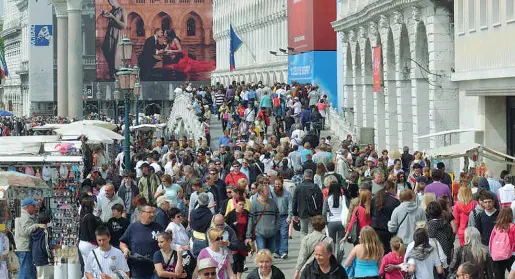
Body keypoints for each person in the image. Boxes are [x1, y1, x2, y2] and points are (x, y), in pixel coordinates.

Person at [119, 205, 164, 279]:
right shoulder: (133, 227)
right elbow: (122, 242)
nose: (152, 215)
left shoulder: (158, 227)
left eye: (153, 212)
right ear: (141, 213)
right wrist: (125, 250)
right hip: (138, 269)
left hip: (155, 268)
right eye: (149, 212)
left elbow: (165, 245)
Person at [14, 198, 46, 279]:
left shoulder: (21, 214)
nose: (35, 207)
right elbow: (25, 231)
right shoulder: (24, 216)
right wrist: (36, 225)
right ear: (28, 207)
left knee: (30, 271)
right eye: (33, 205)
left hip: (22, 247)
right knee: (25, 271)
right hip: (24, 247)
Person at [245, 182, 280, 251]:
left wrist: (276, 228)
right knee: (262, 253)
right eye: (267, 191)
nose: (269, 193)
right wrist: (248, 235)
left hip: (272, 233)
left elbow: (277, 216)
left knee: (270, 253)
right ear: (261, 192)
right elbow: (251, 220)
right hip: (259, 233)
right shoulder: (254, 204)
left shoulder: (273, 202)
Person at [371, 180, 400, 253]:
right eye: (394, 189)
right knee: (387, 251)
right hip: (388, 230)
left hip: (375, 228)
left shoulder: (374, 199)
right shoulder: (394, 201)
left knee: (378, 251)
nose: (395, 191)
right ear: (390, 189)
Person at [293, 169, 323, 236]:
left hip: (302, 212)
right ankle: (310, 245)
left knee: (303, 231)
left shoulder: (298, 187)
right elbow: (320, 200)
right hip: (313, 212)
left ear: (304, 176)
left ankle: (304, 245)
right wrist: (319, 212)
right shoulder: (315, 187)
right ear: (312, 176)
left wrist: (295, 213)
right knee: (312, 231)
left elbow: (294, 201)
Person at [79, 196, 103, 276]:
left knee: (87, 266)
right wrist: (98, 243)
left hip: (82, 243)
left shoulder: (84, 215)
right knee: (95, 265)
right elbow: (92, 232)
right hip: (89, 244)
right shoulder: (89, 216)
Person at [225, 197, 249, 279]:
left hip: (243, 240)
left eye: (243, 204)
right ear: (235, 204)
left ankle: (239, 278)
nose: (242, 206)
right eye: (240, 204)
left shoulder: (246, 213)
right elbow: (226, 227)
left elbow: (249, 226)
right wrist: (233, 225)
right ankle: (234, 277)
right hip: (234, 240)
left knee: (241, 260)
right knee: (234, 260)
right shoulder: (231, 214)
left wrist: (250, 238)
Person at [489, 206, 515, 278]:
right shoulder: (513, 227)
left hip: (497, 255)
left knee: (499, 275)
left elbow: (491, 241)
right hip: (511, 255)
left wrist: (491, 253)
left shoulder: (496, 227)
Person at [270, 176, 292, 259]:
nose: (277, 185)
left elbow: (290, 206)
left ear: (282, 184)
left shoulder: (287, 194)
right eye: (276, 184)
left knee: (284, 234)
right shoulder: (271, 193)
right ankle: (276, 251)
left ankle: (283, 252)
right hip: (274, 217)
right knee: (276, 235)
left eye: (279, 184)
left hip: (284, 217)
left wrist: (289, 217)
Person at [322, 181, 345, 250]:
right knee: (340, 241)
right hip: (341, 221)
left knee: (332, 242)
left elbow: (324, 212)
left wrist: (325, 221)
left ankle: (333, 256)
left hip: (331, 221)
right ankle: (340, 253)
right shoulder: (343, 198)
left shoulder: (327, 198)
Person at [190, 193, 214, 257]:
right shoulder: (210, 214)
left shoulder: (193, 212)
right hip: (206, 241)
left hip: (194, 239)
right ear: (208, 202)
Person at [31, 212, 53, 279]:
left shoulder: (34, 230)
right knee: (45, 276)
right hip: (42, 257)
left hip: (35, 256)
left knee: (39, 276)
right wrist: (50, 256)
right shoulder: (45, 232)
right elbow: (45, 246)